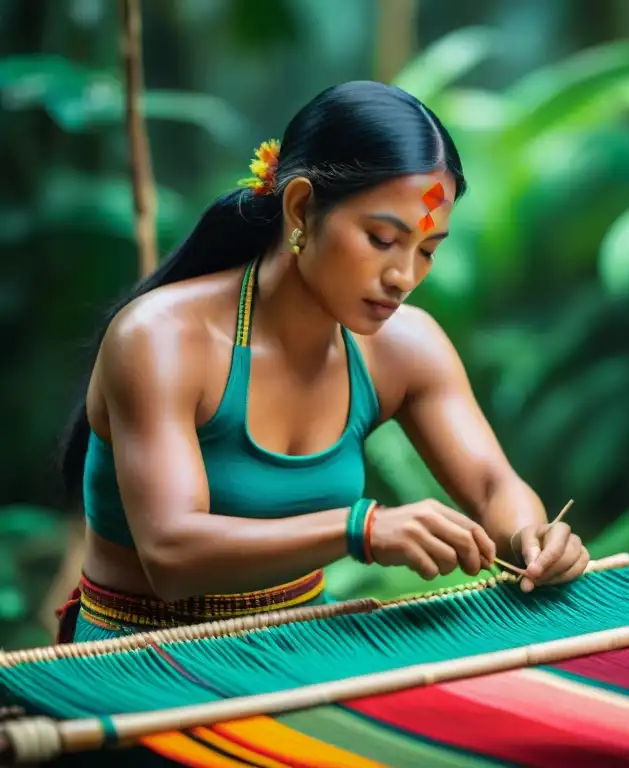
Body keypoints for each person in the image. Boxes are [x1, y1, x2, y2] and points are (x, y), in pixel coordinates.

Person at [54, 80, 590, 644]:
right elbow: (170, 554)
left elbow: (492, 487)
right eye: (383, 239)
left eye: (427, 251)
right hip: (140, 661)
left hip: (306, 643)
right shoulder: (159, 339)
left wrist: (532, 537)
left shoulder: (405, 346)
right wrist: (361, 528)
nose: (403, 277)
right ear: (302, 207)